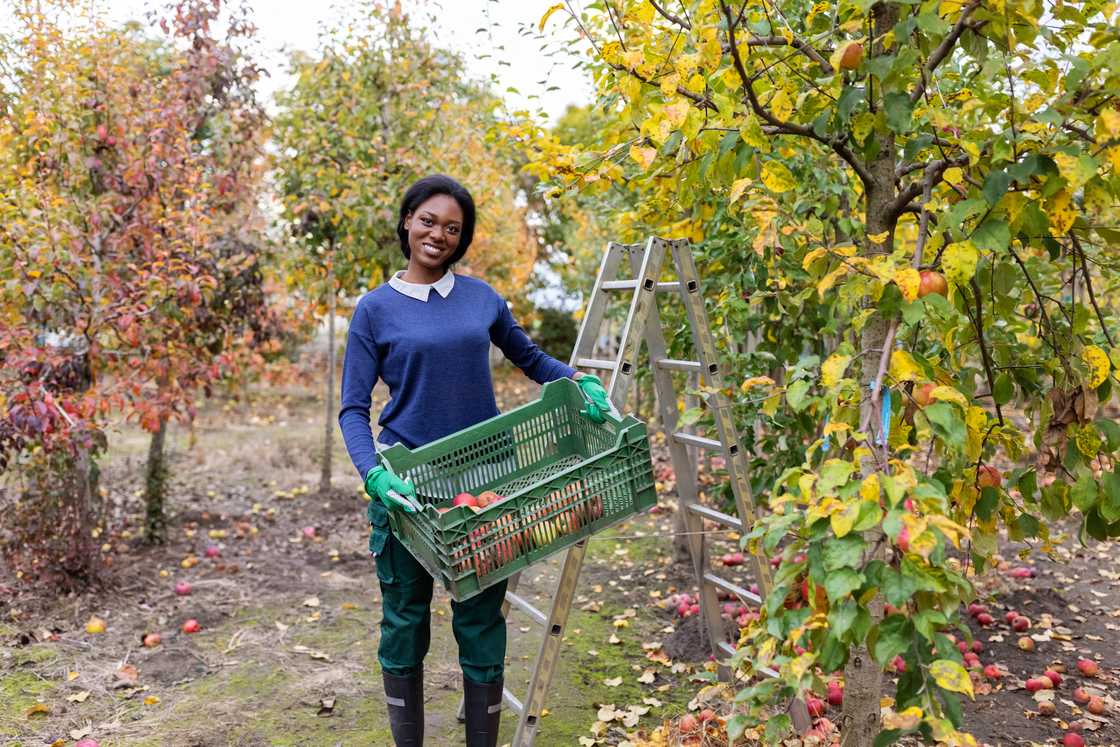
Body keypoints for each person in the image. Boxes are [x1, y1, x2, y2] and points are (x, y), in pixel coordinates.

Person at [338, 174, 612, 747]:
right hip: (409, 486)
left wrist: (578, 381)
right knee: (405, 620)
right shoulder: (374, 309)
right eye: (429, 220)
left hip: (485, 483)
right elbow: (352, 410)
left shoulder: (482, 298)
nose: (438, 234)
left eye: (453, 228)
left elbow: (530, 358)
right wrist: (375, 475)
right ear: (408, 220)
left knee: (482, 620)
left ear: (462, 240)